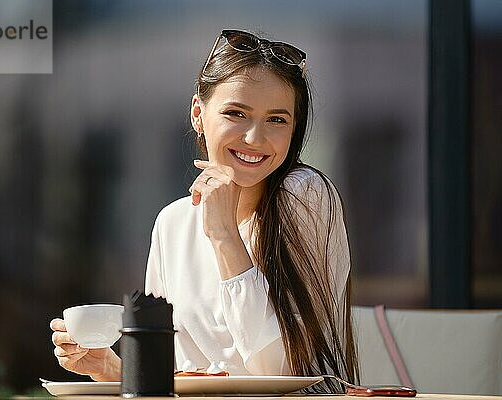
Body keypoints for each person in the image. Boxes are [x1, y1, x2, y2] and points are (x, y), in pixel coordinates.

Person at [51, 29, 358, 390]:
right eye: (236, 113)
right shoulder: (173, 223)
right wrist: (113, 369)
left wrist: (225, 234)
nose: (254, 139)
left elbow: (282, 372)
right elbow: (179, 373)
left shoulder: (303, 194)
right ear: (198, 113)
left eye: (277, 119)